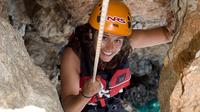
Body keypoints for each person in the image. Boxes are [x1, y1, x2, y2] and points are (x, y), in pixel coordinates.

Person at [60, 0, 174, 112]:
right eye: (104, 38)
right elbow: (69, 109)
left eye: (117, 40)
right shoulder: (73, 55)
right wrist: (85, 95)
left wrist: (173, 24)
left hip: (113, 106)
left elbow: (167, 35)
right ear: (91, 34)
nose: (110, 48)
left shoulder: (126, 41)